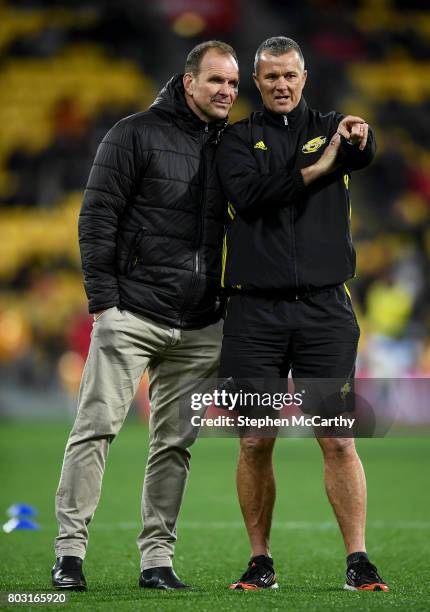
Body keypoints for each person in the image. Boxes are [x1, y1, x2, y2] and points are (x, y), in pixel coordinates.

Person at [51, 40, 239, 591]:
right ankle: (68, 554)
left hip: (202, 321)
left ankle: (156, 560)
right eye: (215, 81)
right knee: (96, 428)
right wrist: (105, 303)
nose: (227, 92)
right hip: (132, 312)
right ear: (189, 83)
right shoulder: (133, 133)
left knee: (175, 445)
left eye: (232, 84)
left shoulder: (233, 145)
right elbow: (96, 217)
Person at [216, 36, 389, 592]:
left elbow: (361, 151)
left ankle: (358, 559)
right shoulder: (236, 139)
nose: (282, 85)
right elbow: (251, 195)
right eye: (270, 78)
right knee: (254, 440)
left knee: (338, 439)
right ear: (257, 83)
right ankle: (260, 559)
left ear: (304, 75)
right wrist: (321, 167)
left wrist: (358, 137)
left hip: (324, 310)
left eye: (290, 75)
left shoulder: (333, 127)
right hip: (253, 312)